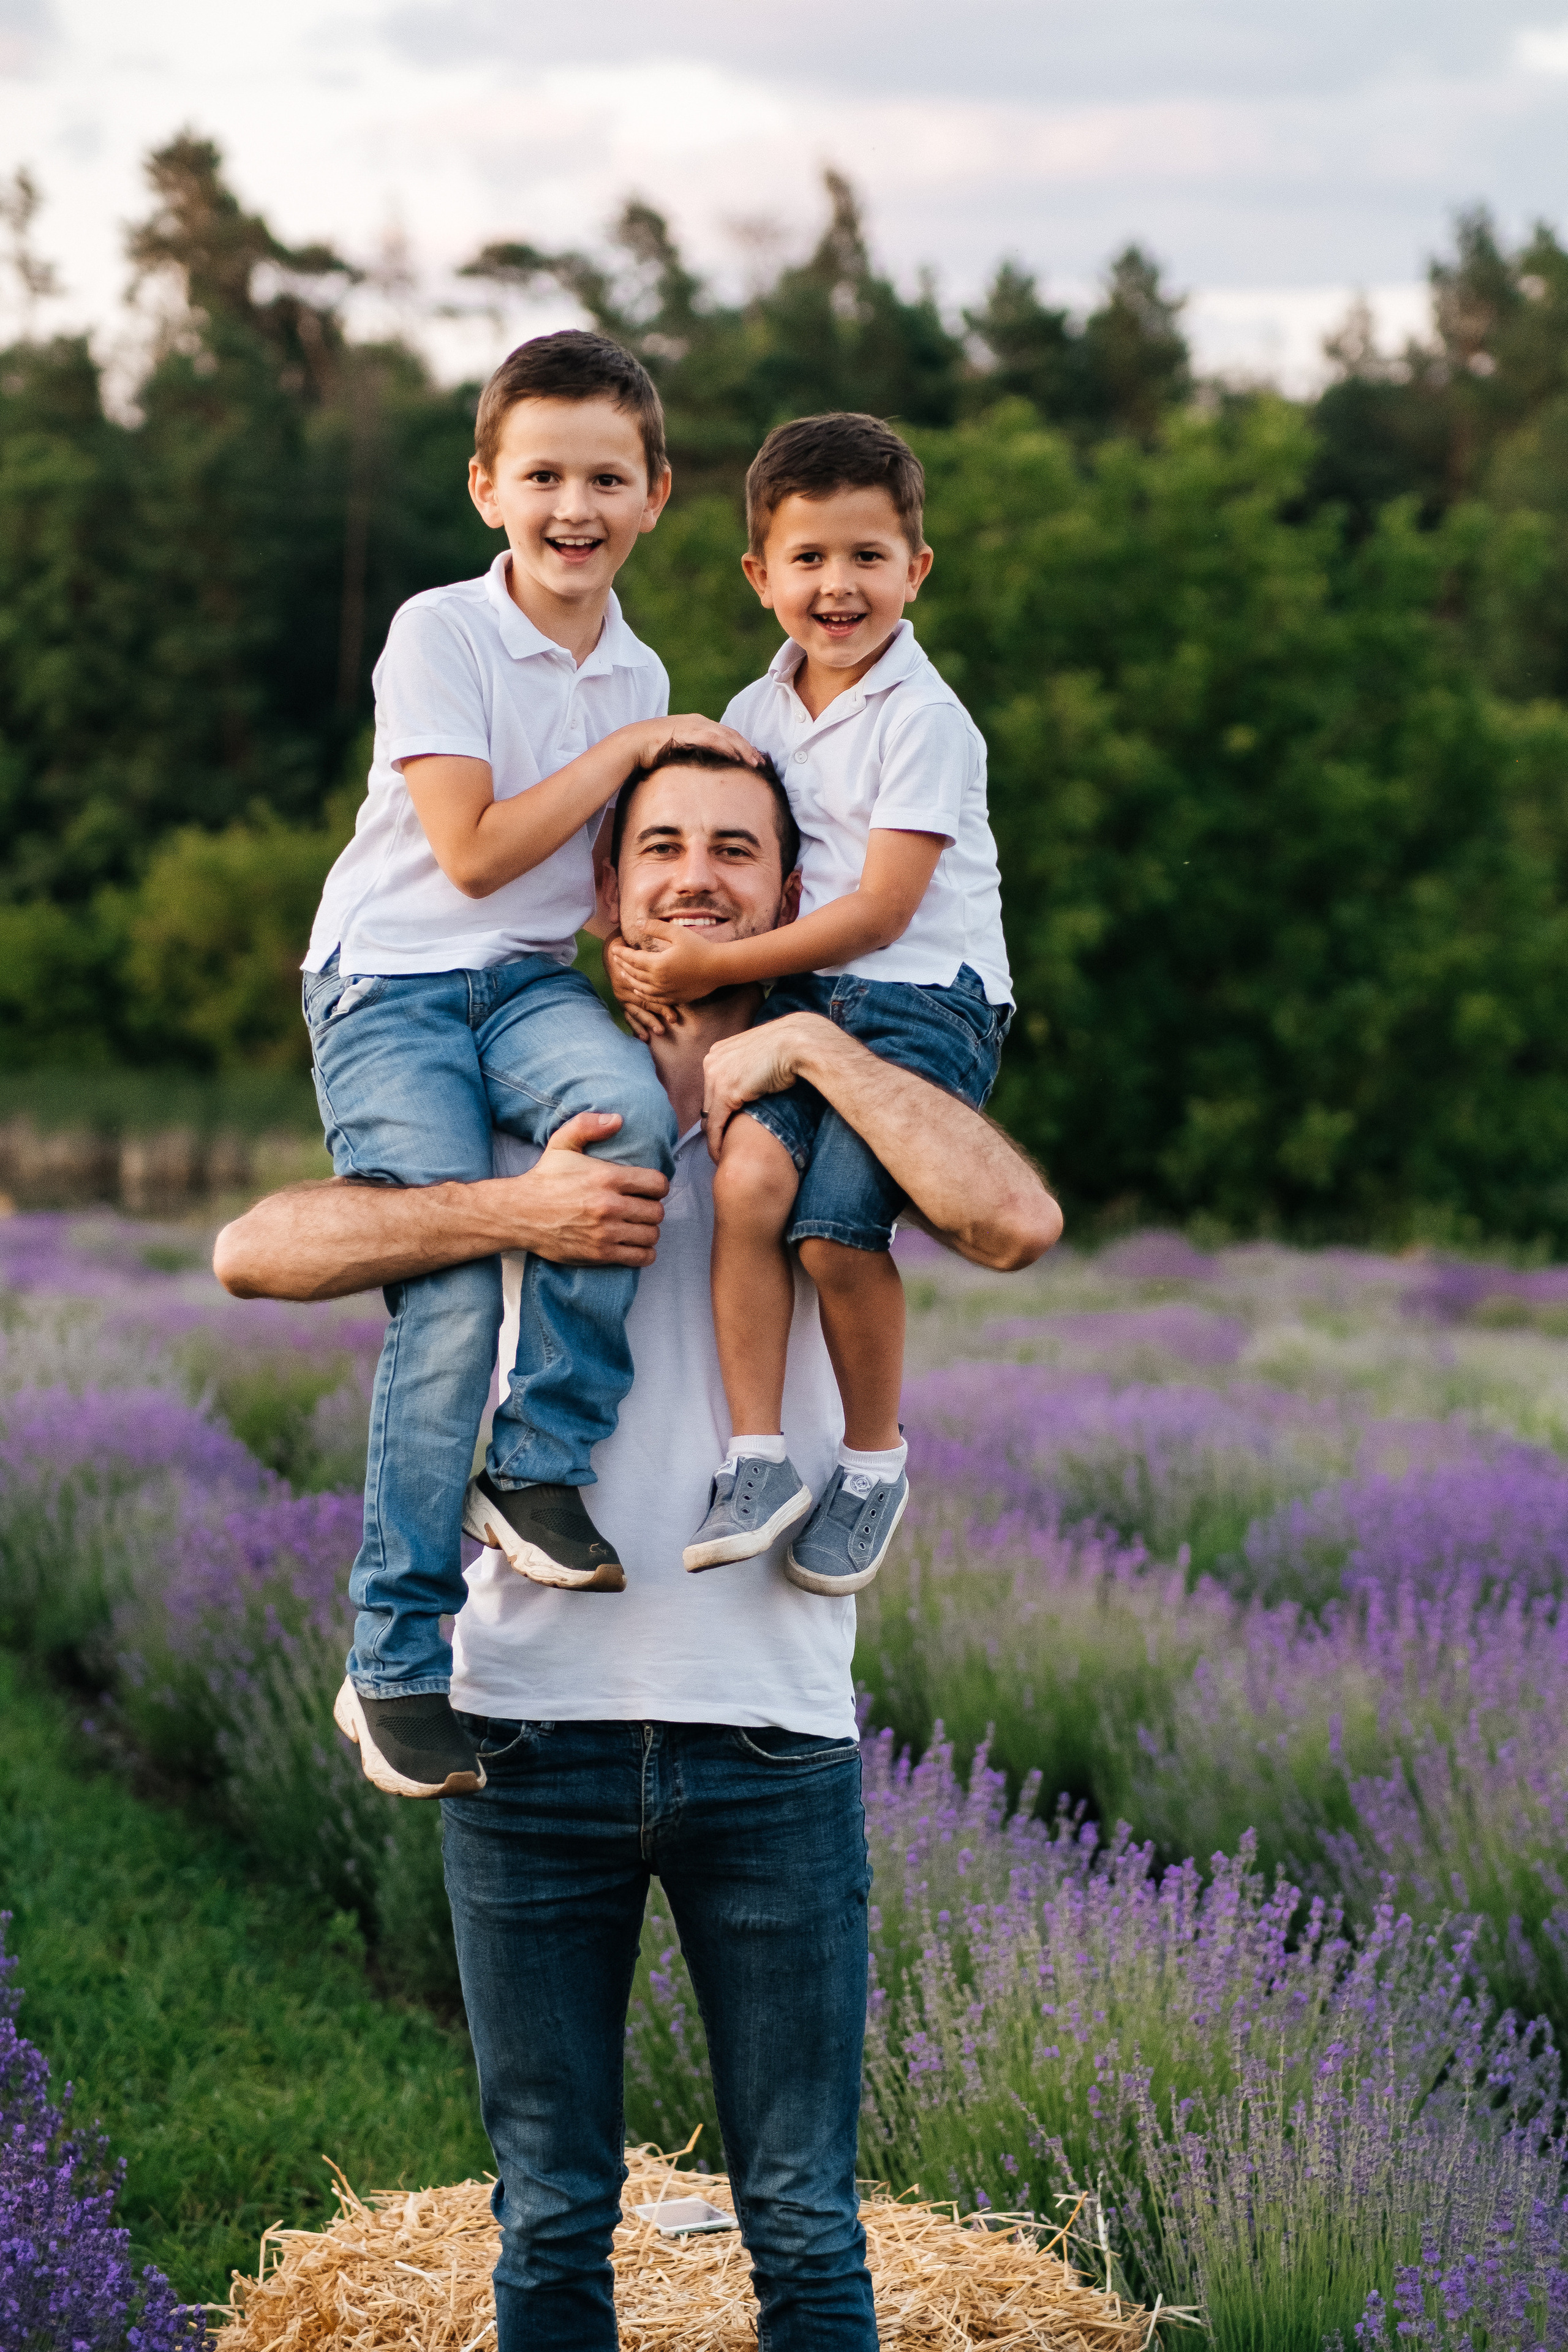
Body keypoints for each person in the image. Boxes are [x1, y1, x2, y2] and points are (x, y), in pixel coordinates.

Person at [214, 746, 1061, 2352]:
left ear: (789, 896)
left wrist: (808, 1032)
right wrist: (507, 1215)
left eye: (737, 851)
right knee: (551, 2215)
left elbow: (1011, 1218)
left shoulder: (838, 1109)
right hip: (525, 1746)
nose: (693, 874)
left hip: (774, 1743)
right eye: (658, 845)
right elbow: (255, 1250)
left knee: (805, 2218)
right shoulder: (517, 1086)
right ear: (607, 889)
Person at [297, 328, 759, 1804]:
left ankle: (535, 1457)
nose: (575, 505)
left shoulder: (640, 668)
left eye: (606, 477)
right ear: (486, 485)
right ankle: (395, 1663)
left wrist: (644, 955)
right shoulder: (440, 630)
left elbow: (601, 883)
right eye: (543, 473)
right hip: (388, 988)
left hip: (518, 982)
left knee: (625, 1115)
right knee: (439, 1301)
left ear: (656, 494)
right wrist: (631, 755)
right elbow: (479, 847)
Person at [611, 413, 1012, 1600]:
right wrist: (655, 952)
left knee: (835, 1228)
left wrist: (717, 975)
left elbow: (883, 909)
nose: (837, 586)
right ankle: (755, 1458)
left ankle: (873, 1461)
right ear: (759, 575)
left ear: (914, 570)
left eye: (867, 558)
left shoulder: (923, 719)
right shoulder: (757, 705)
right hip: (799, 993)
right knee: (745, 1184)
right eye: (808, 559)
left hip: (917, 1003)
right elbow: (729, 855)